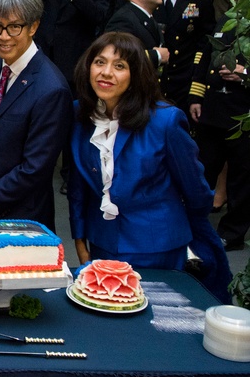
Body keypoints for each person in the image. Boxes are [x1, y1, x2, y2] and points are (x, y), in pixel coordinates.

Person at [68, 32, 231, 304]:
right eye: (99, 62)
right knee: (106, 320)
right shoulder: (80, 114)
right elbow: (78, 183)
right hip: (102, 242)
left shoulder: (165, 121)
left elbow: (196, 191)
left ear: (136, 75)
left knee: (156, 326)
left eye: (119, 66)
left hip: (157, 247)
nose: (106, 73)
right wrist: (80, 239)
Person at [0, 0, 72, 230]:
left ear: (33, 27)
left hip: (23, 218)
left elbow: (35, 168)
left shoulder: (51, 88)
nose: (3, 36)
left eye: (14, 27)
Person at [189, 0, 250, 251]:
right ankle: (191, 226)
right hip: (212, 110)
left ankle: (232, 233)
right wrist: (197, 95)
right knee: (201, 171)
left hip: (244, 114)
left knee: (242, 180)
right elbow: (205, 55)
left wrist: (246, 74)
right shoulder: (228, 17)